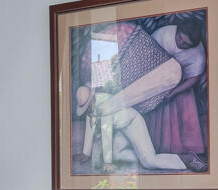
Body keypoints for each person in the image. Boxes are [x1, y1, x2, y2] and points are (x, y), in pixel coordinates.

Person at [81, 16, 209, 173]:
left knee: (149, 161)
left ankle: (187, 160)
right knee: (125, 156)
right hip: (124, 121)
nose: (181, 44)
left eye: (186, 43)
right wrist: (85, 154)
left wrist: (106, 162)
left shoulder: (103, 106)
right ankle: (180, 160)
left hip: (134, 121)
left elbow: (105, 131)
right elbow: (91, 125)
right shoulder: (95, 108)